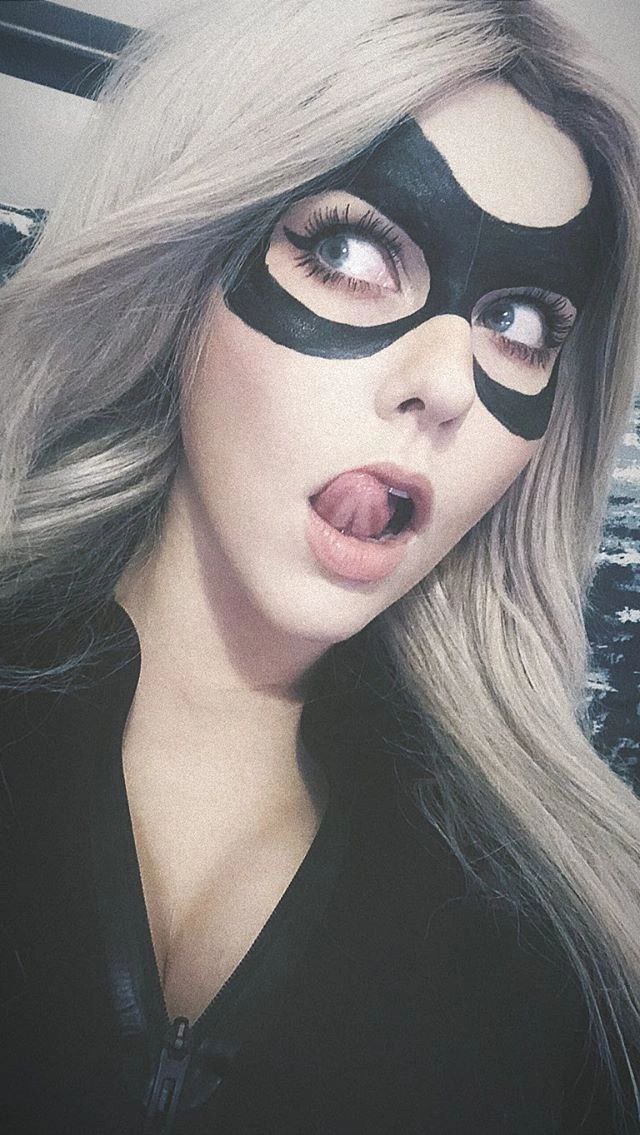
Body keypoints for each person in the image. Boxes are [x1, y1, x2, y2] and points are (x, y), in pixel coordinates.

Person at [0, 0, 639, 1131]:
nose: (446, 384)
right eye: (350, 253)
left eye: (521, 322)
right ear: (188, 268)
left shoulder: (578, 950)